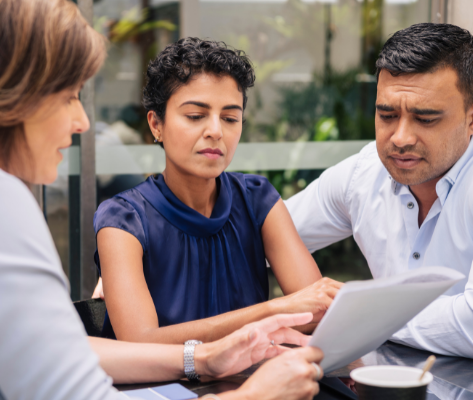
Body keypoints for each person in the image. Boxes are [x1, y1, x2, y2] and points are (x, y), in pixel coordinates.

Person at [0, 0, 325, 399]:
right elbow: (97, 370)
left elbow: (57, 348)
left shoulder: (256, 196)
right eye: (68, 96)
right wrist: (254, 391)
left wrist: (205, 357)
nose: (83, 122)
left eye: (230, 117)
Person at [93, 38, 342, 343]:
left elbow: (317, 312)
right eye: (196, 116)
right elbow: (142, 342)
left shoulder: (257, 199)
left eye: (230, 118)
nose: (215, 131)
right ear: (156, 125)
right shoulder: (123, 220)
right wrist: (274, 311)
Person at [285, 22, 473, 358]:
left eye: (425, 119)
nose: (400, 138)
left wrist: (359, 316)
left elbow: (470, 325)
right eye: (386, 114)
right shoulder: (363, 173)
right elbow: (267, 237)